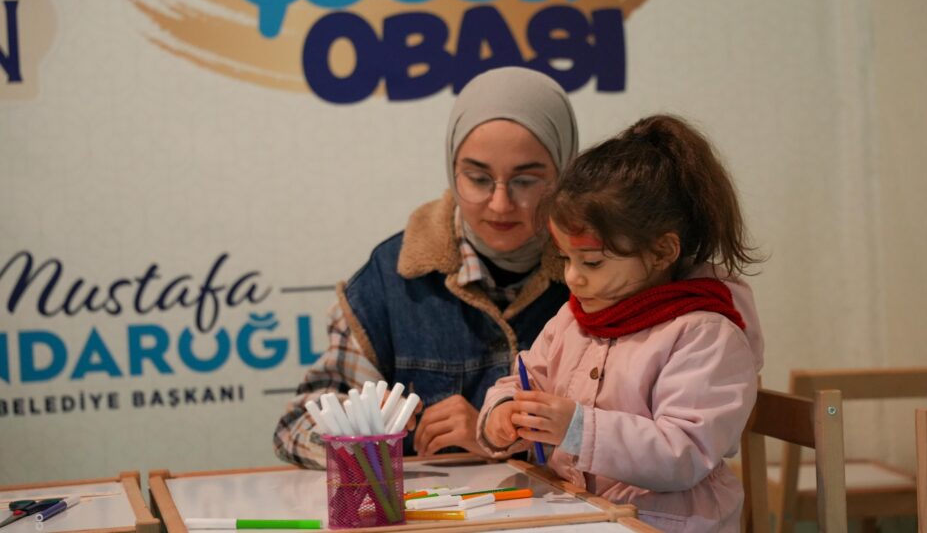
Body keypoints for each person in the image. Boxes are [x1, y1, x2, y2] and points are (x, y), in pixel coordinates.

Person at [273, 66, 579, 468]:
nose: (500, 204)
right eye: (478, 178)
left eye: (525, 181)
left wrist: (496, 435)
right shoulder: (393, 278)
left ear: (565, 172)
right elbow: (294, 428)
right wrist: (362, 430)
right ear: (452, 170)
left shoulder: (601, 269)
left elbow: (639, 435)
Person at [478, 114, 765, 532]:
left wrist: (578, 429)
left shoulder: (706, 335)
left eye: (592, 262)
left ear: (662, 251)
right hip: (582, 514)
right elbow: (524, 381)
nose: (572, 277)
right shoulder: (573, 320)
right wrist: (503, 412)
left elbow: (684, 453)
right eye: (566, 259)